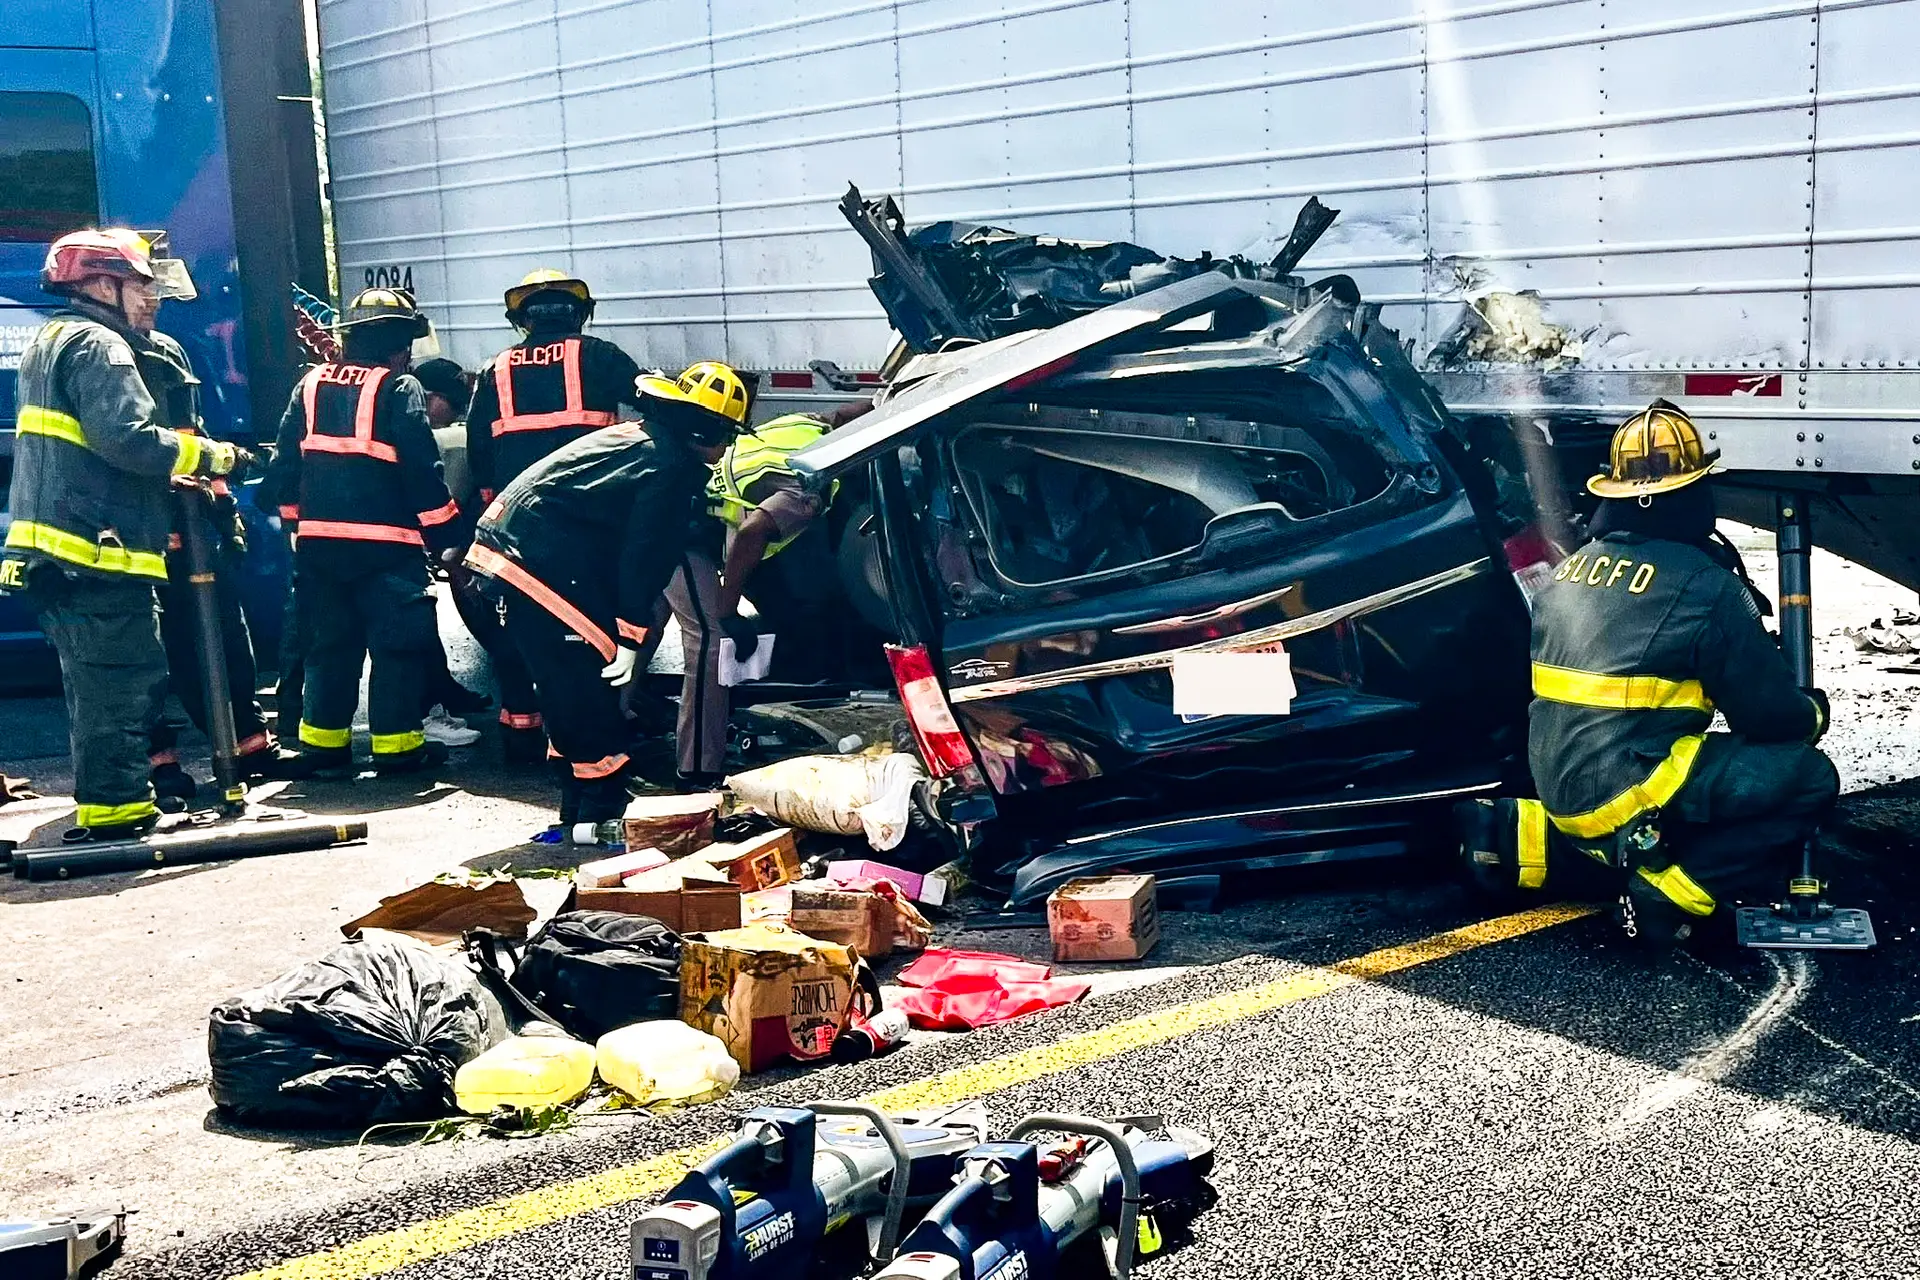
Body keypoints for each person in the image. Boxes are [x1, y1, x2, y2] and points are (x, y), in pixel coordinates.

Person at [1514, 400, 1836, 946]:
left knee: (1685, 761)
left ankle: (1586, 851)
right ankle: (1675, 887)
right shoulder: (1704, 586)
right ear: (1692, 494)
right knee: (1808, 776)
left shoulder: (1568, 571)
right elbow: (1769, 720)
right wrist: (1811, 711)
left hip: (1554, 784)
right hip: (1624, 787)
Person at [0, 229, 248, 838]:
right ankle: (117, 815)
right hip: (95, 553)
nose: (152, 298)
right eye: (141, 284)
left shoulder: (52, 339)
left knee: (97, 684)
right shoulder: (102, 346)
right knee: (121, 681)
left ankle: (115, 804)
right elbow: (129, 439)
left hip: (62, 552)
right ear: (100, 283)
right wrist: (214, 457)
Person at [463, 361, 748, 827]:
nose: (727, 447)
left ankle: (578, 812)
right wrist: (633, 634)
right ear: (707, 428)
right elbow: (645, 555)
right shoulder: (671, 465)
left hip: (510, 552)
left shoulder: (637, 438)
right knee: (588, 687)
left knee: (565, 686)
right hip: (541, 560)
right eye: (728, 435)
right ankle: (604, 811)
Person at [261, 289, 467, 778]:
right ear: (398, 346)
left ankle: (325, 750)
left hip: (319, 551)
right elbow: (421, 469)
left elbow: (284, 468)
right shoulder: (399, 388)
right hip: (387, 550)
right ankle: (397, 750)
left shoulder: (309, 386)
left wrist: (299, 526)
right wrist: (448, 538)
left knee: (329, 646)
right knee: (398, 648)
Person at [463, 269, 647, 762]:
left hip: (517, 527)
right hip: (589, 525)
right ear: (580, 315)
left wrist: (491, 503)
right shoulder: (600, 356)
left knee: (520, 626)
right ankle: (589, 739)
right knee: (587, 630)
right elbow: (656, 402)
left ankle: (521, 730)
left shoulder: (494, 370)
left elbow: (479, 447)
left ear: (522, 321)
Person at [120, 233, 278, 796]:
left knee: (222, 636)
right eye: (144, 287)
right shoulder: (102, 358)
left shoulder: (168, 352)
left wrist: (218, 498)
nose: (155, 299)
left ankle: (247, 748)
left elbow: (192, 435)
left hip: (189, 525)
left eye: (156, 288)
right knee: (143, 654)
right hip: (130, 533)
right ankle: (158, 764)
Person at [656, 403, 861, 787]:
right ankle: (699, 771)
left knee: (639, 632)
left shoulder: (801, 423)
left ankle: (615, 732)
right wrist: (728, 608)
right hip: (687, 537)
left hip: (680, 513)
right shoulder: (812, 485)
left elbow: (840, 415)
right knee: (710, 641)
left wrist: (883, 401)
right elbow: (752, 532)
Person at [407, 355, 487, 746]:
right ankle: (422, 711)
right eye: (451, 404)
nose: (456, 413)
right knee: (409, 632)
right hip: (398, 545)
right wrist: (454, 564)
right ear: (428, 396)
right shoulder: (444, 439)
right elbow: (444, 509)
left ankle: (440, 693)